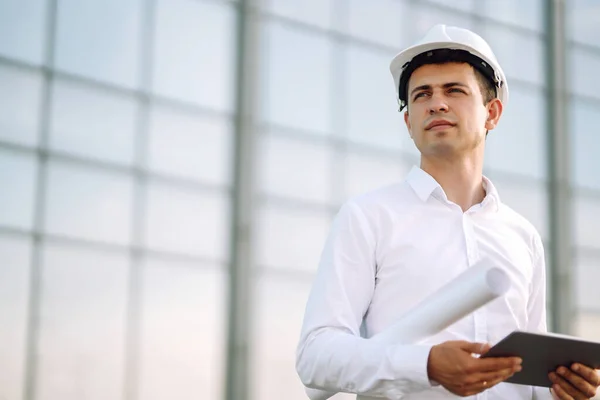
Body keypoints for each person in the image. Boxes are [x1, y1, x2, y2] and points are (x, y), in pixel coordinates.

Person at [295, 24, 600, 400]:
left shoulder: (524, 237)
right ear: (409, 122)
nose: (436, 103)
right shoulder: (367, 217)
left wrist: (561, 393)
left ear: (492, 113)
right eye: (421, 95)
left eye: (454, 90)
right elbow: (315, 356)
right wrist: (426, 366)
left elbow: (526, 383)